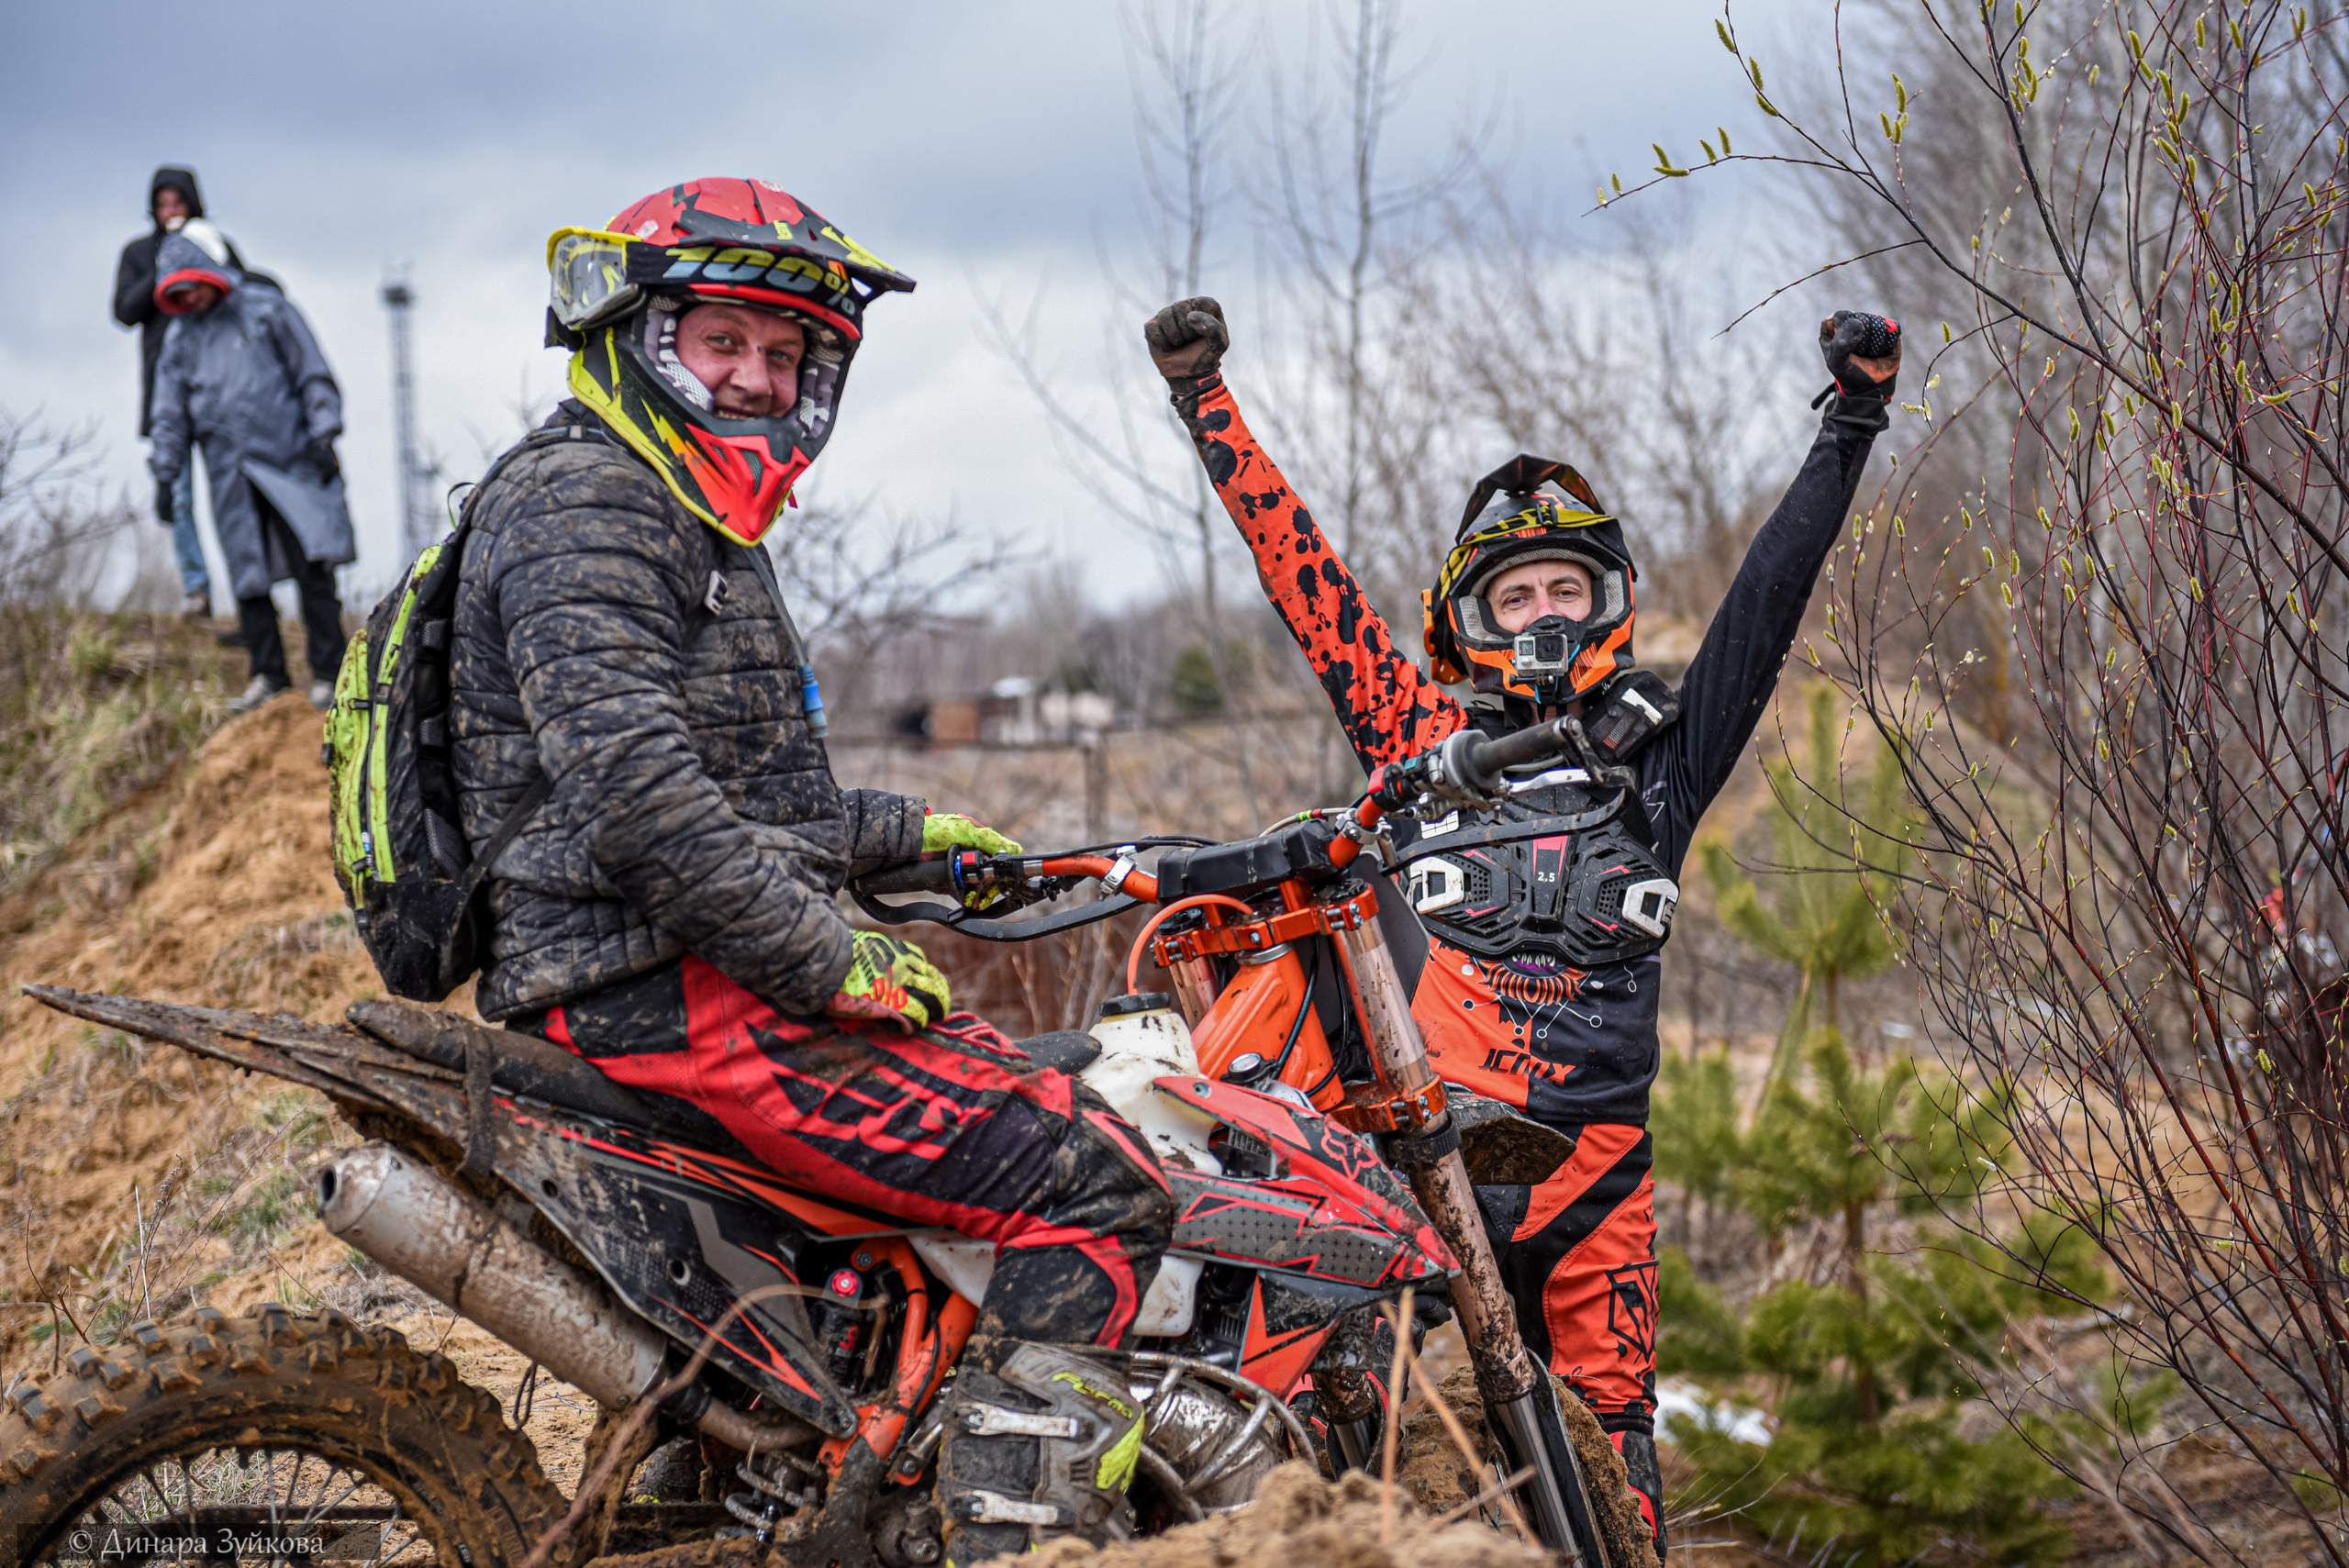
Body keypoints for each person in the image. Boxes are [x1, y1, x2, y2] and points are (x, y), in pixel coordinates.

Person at [448, 178, 1172, 1564]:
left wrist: (900, 837)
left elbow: (721, 791)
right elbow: (645, 804)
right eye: (725, 341)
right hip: (663, 987)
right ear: (640, 335)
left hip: (654, 963)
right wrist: (826, 954)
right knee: (1094, 1185)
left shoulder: (670, 511)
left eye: (787, 357)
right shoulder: (592, 504)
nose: (757, 380)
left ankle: (739, 1489)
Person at [1144, 295, 1901, 1557]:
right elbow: (1309, 584)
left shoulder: (1659, 759)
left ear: (1608, 605)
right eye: (1519, 592)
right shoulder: (1416, 741)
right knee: (1347, 1428)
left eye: (1569, 586)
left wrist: (1855, 420)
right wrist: (1205, 399)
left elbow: (1769, 603)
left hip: (1596, 1171)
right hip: (1422, 1158)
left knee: (1615, 1457)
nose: (1547, 612)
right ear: (1467, 620)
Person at [149, 230, 354, 713]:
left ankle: (331, 673)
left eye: (192, 286)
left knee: (313, 562)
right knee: (248, 574)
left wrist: (324, 433)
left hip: (291, 460)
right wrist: (165, 473)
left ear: (209, 276)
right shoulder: (179, 341)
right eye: (177, 294)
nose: (189, 299)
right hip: (228, 472)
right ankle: (269, 676)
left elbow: (312, 371)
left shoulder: (266, 309)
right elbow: (168, 414)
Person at [112, 166, 255, 621]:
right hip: (164, 393)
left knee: (231, 495)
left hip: (221, 389)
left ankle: (248, 593)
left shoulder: (217, 245)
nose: (170, 213)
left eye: (178, 204)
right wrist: (164, 267)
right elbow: (123, 312)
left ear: (193, 204)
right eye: (162, 205)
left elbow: (243, 295)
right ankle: (197, 591)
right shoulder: (137, 253)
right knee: (177, 497)